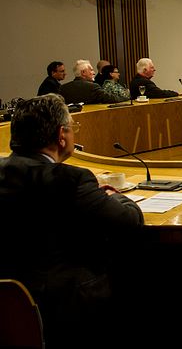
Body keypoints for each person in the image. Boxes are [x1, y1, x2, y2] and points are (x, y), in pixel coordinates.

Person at [0, 94, 144, 348]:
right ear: (61, 135)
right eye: (72, 128)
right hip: (67, 304)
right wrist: (113, 195)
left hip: (10, 300)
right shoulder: (70, 179)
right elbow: (128, 221)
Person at [59, 59, 129, 104]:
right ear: (83, 72)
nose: (94, 73)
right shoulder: (92, 87)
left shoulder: (63, 88)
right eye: (91, 70)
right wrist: (127, 96)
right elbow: (111, 99)